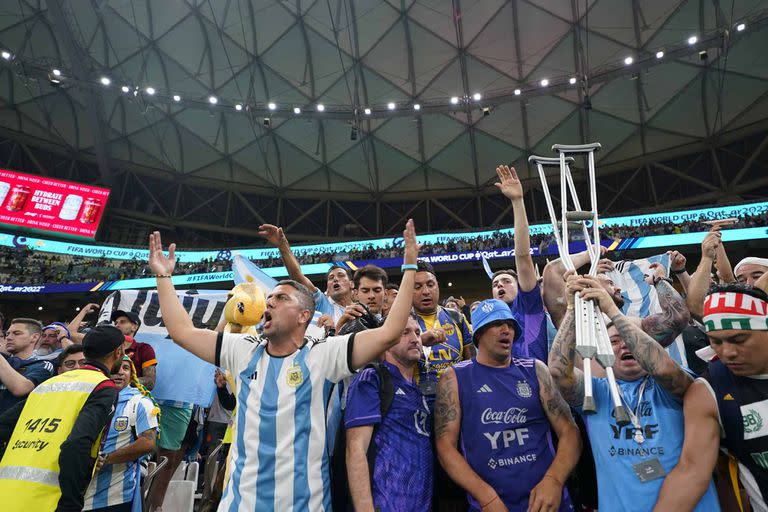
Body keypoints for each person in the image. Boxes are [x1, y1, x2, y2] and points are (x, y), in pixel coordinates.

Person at [147, 219, 418, 510]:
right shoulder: (242, 350)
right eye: (270, 297)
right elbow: (182, 332)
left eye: (281, 297)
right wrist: (164, 278)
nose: (269, 302)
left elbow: (390, 333)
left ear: (303, 316)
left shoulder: (324, 355)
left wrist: (410, 267)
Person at [548, 274, 719, 511]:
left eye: (628, 336)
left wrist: (614, 313)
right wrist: (572, 309)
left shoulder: (675, 382)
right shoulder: (596, 391)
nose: (624, 345)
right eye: (614, 341)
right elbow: (557, 372)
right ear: (601, 351)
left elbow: (661, 367)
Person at [435, 299, 581, 511]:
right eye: (496, 324)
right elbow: (445, 447)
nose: (506, 330)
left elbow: (570, 431)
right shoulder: (455, 377)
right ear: (478, 334)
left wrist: (555, 480)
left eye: (510, 324)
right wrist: (486, 497)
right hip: (491, 505)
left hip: (548, 502)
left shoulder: (535, 370)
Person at [654, 284, 768, 510]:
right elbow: (691, 473)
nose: (727, 352)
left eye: (739, 339)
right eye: (715, 341)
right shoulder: (708, 392)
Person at [0, 325, 123, 512]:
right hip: (48, 500)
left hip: (7, 493)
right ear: (118, 351)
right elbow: (77, 444)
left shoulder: (48, 384)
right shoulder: (102, 386)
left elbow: (3, 426)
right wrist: (71, 501)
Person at [344, 316, 432, 512]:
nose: (415, 338)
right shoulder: (372, 378)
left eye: (417, 333)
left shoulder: (419, 390)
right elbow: (355, 449)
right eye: (404, 332)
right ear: (386, 340)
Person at [83, 356, 159, 512]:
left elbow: (148, 443)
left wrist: (106, 459)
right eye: (115, 368)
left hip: (114, 495)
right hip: (78, 490)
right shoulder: (85, 398)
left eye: (125, 368)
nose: (120, 372)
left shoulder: (140, 402)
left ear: (131, 374)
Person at [490, 165, 548, 363]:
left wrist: (517, 201)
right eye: (495, 284)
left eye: (506, 281)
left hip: (537, 386)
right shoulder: (487, 322)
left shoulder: (527, 304)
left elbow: (523, 256)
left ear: (520, 285)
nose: (499, 286)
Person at [258, 223, 354, 328]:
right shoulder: (323, 304)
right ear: (328, 289)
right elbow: (298, 277)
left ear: (352, 284)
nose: (335, 279)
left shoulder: (365, 307)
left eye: (341, 275)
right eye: (331, 278)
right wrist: (282, 245)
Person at [412, 260, 473, 401]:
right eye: (418, 286)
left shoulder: (457, 317)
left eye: (430, 285)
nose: (425, 291)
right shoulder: (401, 321)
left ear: (437, 286)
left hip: (457, 397)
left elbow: (471, 361)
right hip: (417, 401)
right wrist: (419, 341)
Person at [0, 318, 55, 414]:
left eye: (16, 333)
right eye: (7, 334)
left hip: (17, 426)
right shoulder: (4, 362)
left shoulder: (43, 365)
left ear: (34, 337)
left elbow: (20, 388)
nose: (8, 337)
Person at [111, 311, 157, 390]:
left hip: (133, 398)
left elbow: (150, 382)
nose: (117, 325)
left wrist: (124, 382)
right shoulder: (108, 348)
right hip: (107, 396)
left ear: (134, 327)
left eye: (122, 322)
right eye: (115, 323)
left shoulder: (144, 349)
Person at [336, 264, 388, 333]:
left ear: (385, 294)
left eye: (377, 290)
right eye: (365, 291)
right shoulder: (346, 323)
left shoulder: (398, 323)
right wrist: (338, 329)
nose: (371, 296)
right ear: (356, 294)